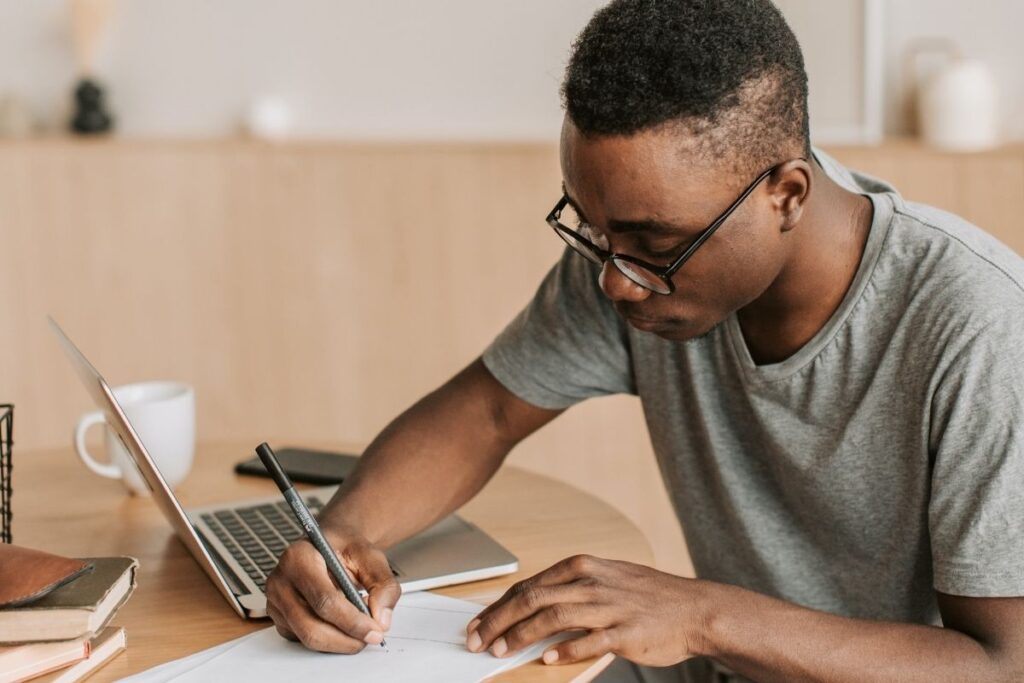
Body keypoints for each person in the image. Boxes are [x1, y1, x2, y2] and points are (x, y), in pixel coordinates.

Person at [264, 1, 1024, 680]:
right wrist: (342, 535)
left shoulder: (979, 327)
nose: (616, 283)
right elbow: (485, 412)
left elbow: (1003, 663)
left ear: (786, 194)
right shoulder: (638, 257)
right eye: (592, 229)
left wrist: (702, 616)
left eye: (653, 244)